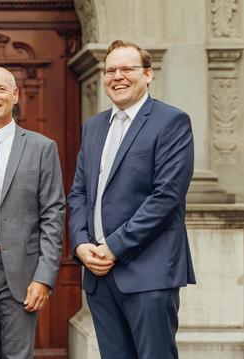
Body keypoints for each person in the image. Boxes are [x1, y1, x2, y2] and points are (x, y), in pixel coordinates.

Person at [68, 40, 195, 359]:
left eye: (127, 68)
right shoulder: (94, 127)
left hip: (148, 272)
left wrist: (114, 246)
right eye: (110, 70)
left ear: (148, 74)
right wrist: (81, 244)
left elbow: (166, 197)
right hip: (98, 275)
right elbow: (79, 192)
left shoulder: (171, 122)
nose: (117, 76)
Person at [0, 67, 65, 359]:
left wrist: (44, 277)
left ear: (15, 95)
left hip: (21, 272)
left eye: (1, 89)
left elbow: (53, 215)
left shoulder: (42, 148)